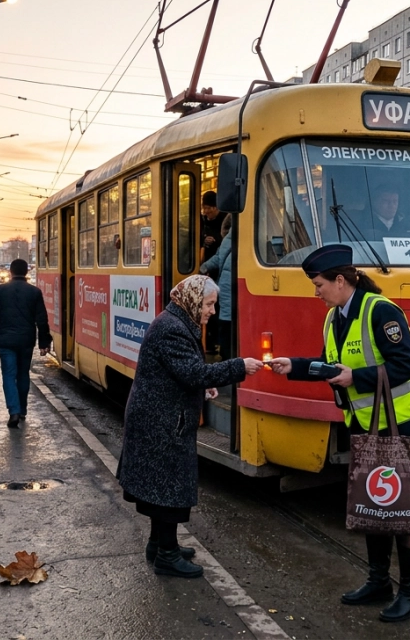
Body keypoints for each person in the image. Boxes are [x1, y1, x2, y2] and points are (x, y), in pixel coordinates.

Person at [269, 244, 410, 623]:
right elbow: (332, 366)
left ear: (340, 280)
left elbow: (405, 364)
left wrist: (356, 377)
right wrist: (294, 366)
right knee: (374, 505)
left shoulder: (381, 311)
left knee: (406, 512)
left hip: (404, 428)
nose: (316, 292)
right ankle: (378, 581)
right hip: (366, 427)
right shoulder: (334, 318)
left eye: (318, 284)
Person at [117, 275, 263, 578]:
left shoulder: (175, 321)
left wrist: (200, 389)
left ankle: (159, 544)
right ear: (195, 301)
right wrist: (239, 366)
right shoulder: (172, 329)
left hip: (162, 418)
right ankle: (167, 555)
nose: (212, 310)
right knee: (167, 487)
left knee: (161, 487)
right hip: (162, 422)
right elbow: (193, 372)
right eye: (209, 304)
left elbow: (183, 374)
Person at [0, 258, 50, 428]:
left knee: (8, 374)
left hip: (6, 340)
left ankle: (13, 411)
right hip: (26, 339)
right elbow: (42, 319)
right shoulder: (34, 292)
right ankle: (22, 409)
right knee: (23, 374)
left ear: (11, 272)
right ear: (26, 272)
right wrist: (44, 341)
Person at [199, 215, 233, 360]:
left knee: (225, 319)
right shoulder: (240, 237)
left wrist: (202, 267)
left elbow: (218, 258)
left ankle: (225, 355)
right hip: (231, 285)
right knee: (228, 319)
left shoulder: (228, 239)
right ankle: (228, 355)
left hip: (225, 285)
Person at [199, 191, 226, 263]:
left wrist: (216, 240)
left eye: (208, 208)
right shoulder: (202, 221)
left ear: (216, 207)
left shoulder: (226, 221)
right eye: (204, 208)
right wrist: (204, 240)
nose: (206, 211)